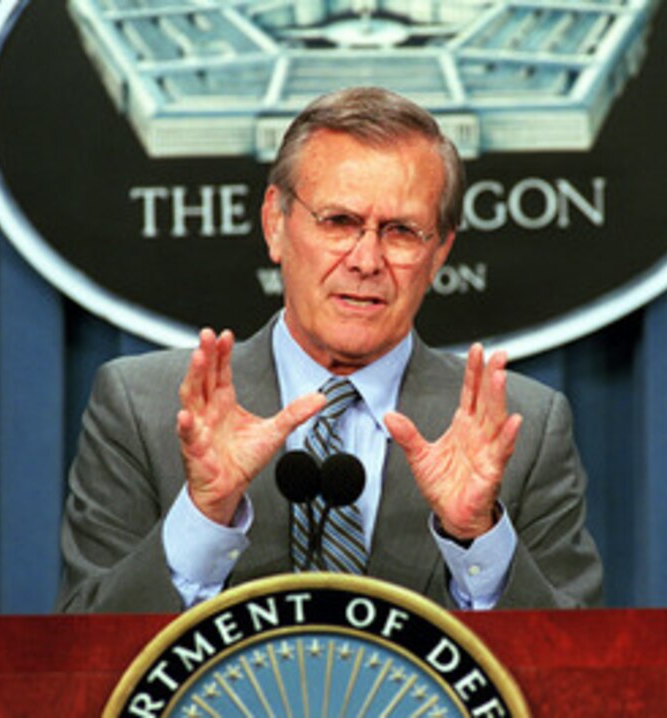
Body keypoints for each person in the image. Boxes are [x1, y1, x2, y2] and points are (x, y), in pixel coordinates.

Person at [57, 87, 603, 613]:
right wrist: (205, 513)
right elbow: (81, 661)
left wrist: (476, 537)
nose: (367, 260)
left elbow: (578, 676)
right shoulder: (144, 409)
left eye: (401, 231)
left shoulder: (519, 429)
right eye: (339, 222)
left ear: (439, 253)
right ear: (275, 223)